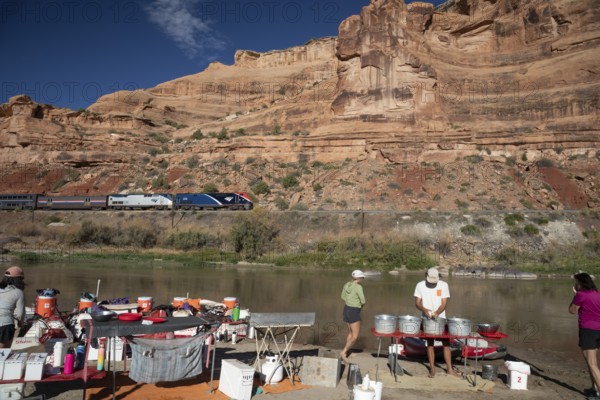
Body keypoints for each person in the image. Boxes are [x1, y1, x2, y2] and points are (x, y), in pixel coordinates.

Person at [414, 267, 459, 378]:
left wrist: (437, 312)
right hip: (427, 319)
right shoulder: (420, 285)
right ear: (426, 276)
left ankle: (449, 369)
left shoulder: (443, 285)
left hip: (441, 318)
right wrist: (425, 310)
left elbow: (444, 303)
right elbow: (417, 303)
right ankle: (432, 369)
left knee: (446, 343)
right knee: (430, 344)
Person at [569, 272, 600, 400]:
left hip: (588, 330)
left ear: (581, 283)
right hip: (598, 330)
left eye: (577, 282)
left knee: (592, 363)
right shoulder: (597, 294)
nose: (575, 284)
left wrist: (575, 295)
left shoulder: (581, 295)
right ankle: (594, 389)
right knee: (592, 362)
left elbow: (572, 310)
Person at [340, 269, 366, 363]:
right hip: (354, 310)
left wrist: (350, 301)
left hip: (346, 309)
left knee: (350, 333)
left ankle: (348, 351)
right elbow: (363, 301)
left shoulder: (346, 284)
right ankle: (343, 352)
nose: (362, 279)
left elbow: (343, 296)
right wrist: (359, 307)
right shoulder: (358, 287)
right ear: (359, 278)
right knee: (355, 336)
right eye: (362, 277)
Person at [0, 266, 25, 348]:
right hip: (5, 324)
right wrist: (20, 324)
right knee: (3, 353)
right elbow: (20, 313)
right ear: (18, 280)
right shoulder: (18, 292)